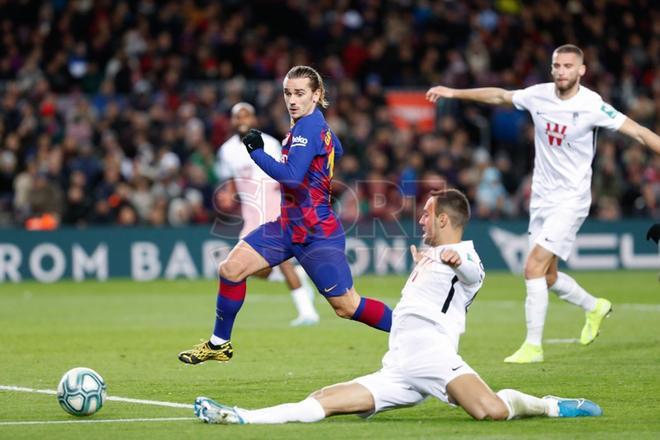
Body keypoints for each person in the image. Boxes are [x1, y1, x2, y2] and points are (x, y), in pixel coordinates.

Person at [193, 189, 603, 424]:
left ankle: (549, 405)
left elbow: (476, 278)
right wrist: (431, 262)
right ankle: (241, 416)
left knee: (490, 411)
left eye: (427, 215)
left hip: (436, 358)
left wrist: (456, 262)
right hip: (400, 364)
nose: (420, 220)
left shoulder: (466, 256)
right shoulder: (429, 255)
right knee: (323, 401)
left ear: (444, 219)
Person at [426, 44, 660, 363]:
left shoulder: (592, 105)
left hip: (572, 198)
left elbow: (638, 132)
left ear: (581, 70)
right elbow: (499, 96)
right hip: (542, 199)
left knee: (532, 267)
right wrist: (453, 92)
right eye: (556, 66)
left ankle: (533, 346)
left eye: (567, 66)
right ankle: (595, 307)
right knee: (547, 276)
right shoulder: (539, 95)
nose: (561, 71)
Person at [178, 66, 393, 365]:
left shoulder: (307, 127)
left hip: (316, 232)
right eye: (288, 93)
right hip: (286, 226)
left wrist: (256, 152)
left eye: (300, 93)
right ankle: (219, 343)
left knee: (347, 306)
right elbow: (337, 149)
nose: (292, 99)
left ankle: (414, 332)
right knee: (231, 270)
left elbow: (291, 177)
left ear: (316, 95)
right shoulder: (311, 125)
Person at [215, 102, 319, 327]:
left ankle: (308, 312)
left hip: (272, 206)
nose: (242, 120)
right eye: (237, 116)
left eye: (246, 115)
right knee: (251, 268)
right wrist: (229, 193)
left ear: (254, 119)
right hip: (250, 213)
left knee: (281, 260)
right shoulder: (226, 150)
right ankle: (299, 278)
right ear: (232, 121)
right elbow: (232, 179)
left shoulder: (269, 143)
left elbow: (286, 170)